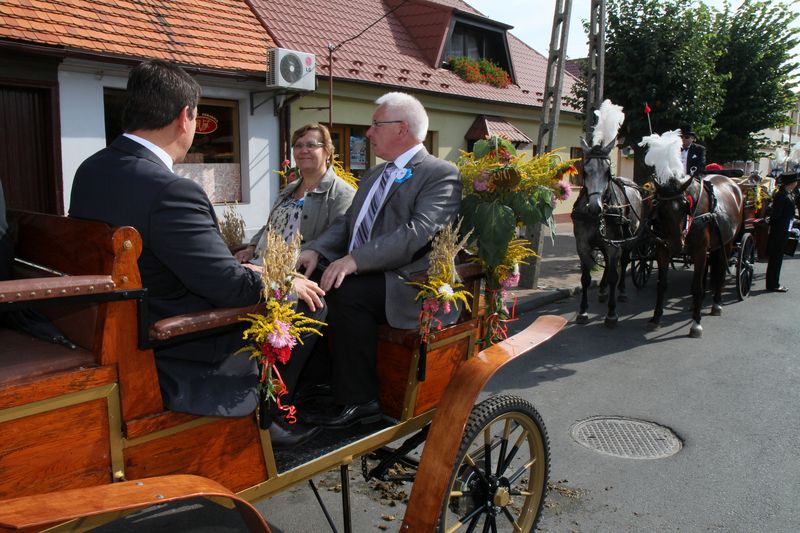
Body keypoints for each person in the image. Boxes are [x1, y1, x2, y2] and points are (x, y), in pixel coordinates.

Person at [69, 60, 324, 448]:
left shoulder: (92, 169)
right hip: (175, 341)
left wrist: (252, 267)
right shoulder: (170, 189)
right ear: (185, 117)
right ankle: (271, 410)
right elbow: (230, 290)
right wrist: (282, 280)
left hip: (114, 322)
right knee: (312, 304)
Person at [296, 92, 462, 428]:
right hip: (366, 272)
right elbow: (348, 222)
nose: (368, 133)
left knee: (344, 293)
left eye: (375, 125)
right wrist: (317, 250)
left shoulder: (439, 172)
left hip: (407, 282)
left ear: (401, 129)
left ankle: (361, 401)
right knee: (305, 288)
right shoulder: (374, 175)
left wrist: (354, 260)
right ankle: (318, 385)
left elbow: (420, 231)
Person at [234, 123, 355, 265]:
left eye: (311, 145)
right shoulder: (289, 189)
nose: (304, 150)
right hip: (260, 265)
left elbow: (337, 237)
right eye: (298, 145)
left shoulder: (342, 194)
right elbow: (271, 226)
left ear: (327, 151)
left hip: (291, 275)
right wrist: (251, 248)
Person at [765, 172, 798, 292]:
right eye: (795, 181)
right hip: (780, 230)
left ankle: (773, 283)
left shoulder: (786, 194)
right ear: (791, 183)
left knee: (777, 258)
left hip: (783, 229)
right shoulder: (782, 195)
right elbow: (776, 215)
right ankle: (773, 284)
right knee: (776, 258)